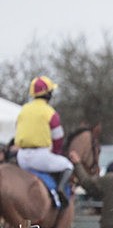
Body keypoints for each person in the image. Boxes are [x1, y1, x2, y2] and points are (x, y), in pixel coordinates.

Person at [14, 76, 73, 204]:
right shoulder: (50, 112)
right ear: (48, 94)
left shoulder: (23, 110)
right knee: (68, 165)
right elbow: (58, 138)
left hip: (22, 157)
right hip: (40, 156)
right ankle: (61, 190)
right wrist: (56, 153)